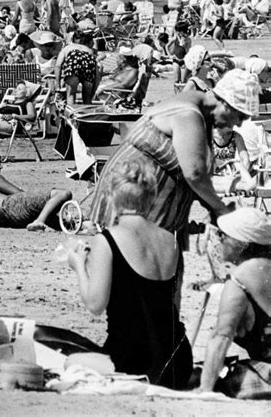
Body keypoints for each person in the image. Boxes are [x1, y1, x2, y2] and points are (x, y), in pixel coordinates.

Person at [90, 69, 261, 297]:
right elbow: (194, 173)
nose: (238, 125)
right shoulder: (188, 114)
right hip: (133, 200)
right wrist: (221, 209)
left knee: (160, 285)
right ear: (227, 105)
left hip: (154, 208)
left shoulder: (202, 115)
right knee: (140, 285)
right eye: (240, 116)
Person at [67, 159, 192, 389]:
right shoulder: (170, 239)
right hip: (179, 361)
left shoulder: (106, 240)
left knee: (71, 360)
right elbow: (175, 305)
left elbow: (95, 304)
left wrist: (79, 267)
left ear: (112, 196)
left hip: (133, 361)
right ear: (151, 197)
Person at [199, 208, 270, 398]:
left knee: (198, 375)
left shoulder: (240, 280)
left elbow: (221, 336)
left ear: (242, 244)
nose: (219, 240)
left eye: (223, 235)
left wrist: (204, 390)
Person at [0, 150, 71, 231]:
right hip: (10, 206)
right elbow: (19, 194)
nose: (1, 166)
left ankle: (70, 224)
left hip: (8, 220)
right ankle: (39, 221)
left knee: (48, 212)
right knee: (62, 194)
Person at [55, 29, 99, 105]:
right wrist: (94, 89)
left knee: (71, 95)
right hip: (88, 62)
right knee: (87, 98)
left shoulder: (67, 48)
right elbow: (96, 70)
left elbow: (58, 65)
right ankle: (86, 114)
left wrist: (58, 85)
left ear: (72, 39)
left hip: (74, 61)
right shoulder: (89, 50)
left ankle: (71, 115)